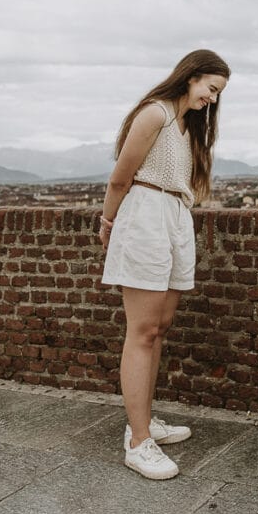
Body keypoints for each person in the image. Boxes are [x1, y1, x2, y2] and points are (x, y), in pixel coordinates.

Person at [99, 49, 230, 479]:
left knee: (160, 326)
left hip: (173, 217)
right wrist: (108, 221)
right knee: (142, 331)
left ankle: (144, 420)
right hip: (145, 216)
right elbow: (122, 175)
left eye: (218, 94)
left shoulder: (185, 124)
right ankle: (138, 442)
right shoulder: (154, 113)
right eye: (210, 88)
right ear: (190, 77)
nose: (212, 98)